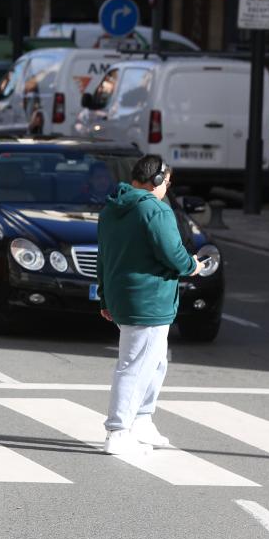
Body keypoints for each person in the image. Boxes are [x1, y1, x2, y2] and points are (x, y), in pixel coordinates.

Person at [96, 154, 208, 457]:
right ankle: (118, 431)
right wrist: (192, 266)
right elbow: (173, 254)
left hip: (125, 297)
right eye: (167, 182)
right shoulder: (155, 210)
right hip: (149, 300)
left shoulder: (111, 208)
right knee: (135, 365)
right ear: (157, 180)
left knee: (155, 361)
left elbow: (103, 258)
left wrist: (105, 297)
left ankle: (142, 420)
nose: (167, 188)